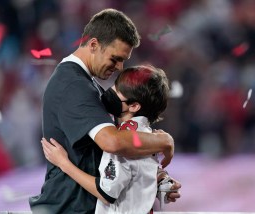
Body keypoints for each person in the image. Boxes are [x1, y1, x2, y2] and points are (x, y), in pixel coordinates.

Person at [29, 8, 180, 213]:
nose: (119, 67)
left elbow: (122, 156)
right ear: (93, 45)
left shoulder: (86, 83)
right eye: (115, 58)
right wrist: (164, 141)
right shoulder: (73, 85)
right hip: (69, 207)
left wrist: (156, 179)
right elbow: (113, 142)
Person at [42, 65, 177, 213]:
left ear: (133, 106)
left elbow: (106, 193)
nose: (110, 91)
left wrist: (64, 163)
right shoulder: (149, 136)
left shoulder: (122, 141)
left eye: (117, 90)